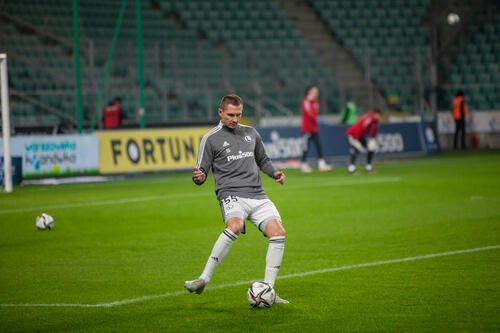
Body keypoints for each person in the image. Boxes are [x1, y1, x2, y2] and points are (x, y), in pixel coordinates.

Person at [185, 94, 289, 304]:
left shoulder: (250, 133)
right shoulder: (210, 138)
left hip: (257, 195)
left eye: (239, 115)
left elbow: (263, 160)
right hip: (231, 194)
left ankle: (269, 290)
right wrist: (199, 177)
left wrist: (275, 173)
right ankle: (203, 279)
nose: (235, 119)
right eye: (231, 115)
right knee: (234, 226)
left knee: (278, 233)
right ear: (220, 112)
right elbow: (201, 172)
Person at [300, 86, 332, 172]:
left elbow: (315, 113)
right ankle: (303, 164)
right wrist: (317, 119)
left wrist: (316, 120)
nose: (316, 93)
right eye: (314, 91)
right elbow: (309, 113)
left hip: (314, 128)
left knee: (318, 145)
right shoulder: (306, 101)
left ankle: (321, 164)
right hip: (307, 129)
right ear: (309, 91)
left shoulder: (316, 102)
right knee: (305, 147)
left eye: (317, 91)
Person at [345, 109, 382, 174]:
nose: (379, 117)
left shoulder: (376, 121)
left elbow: (375, 130)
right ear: (376, 114)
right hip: (351, 135)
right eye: (378, 115)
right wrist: (356, 139)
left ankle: (369, 168)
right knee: (355, 150)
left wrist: (373, 139)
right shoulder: (369, 119)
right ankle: (351, 170)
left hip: (360, 136)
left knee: (370, 149)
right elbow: (358, 127)